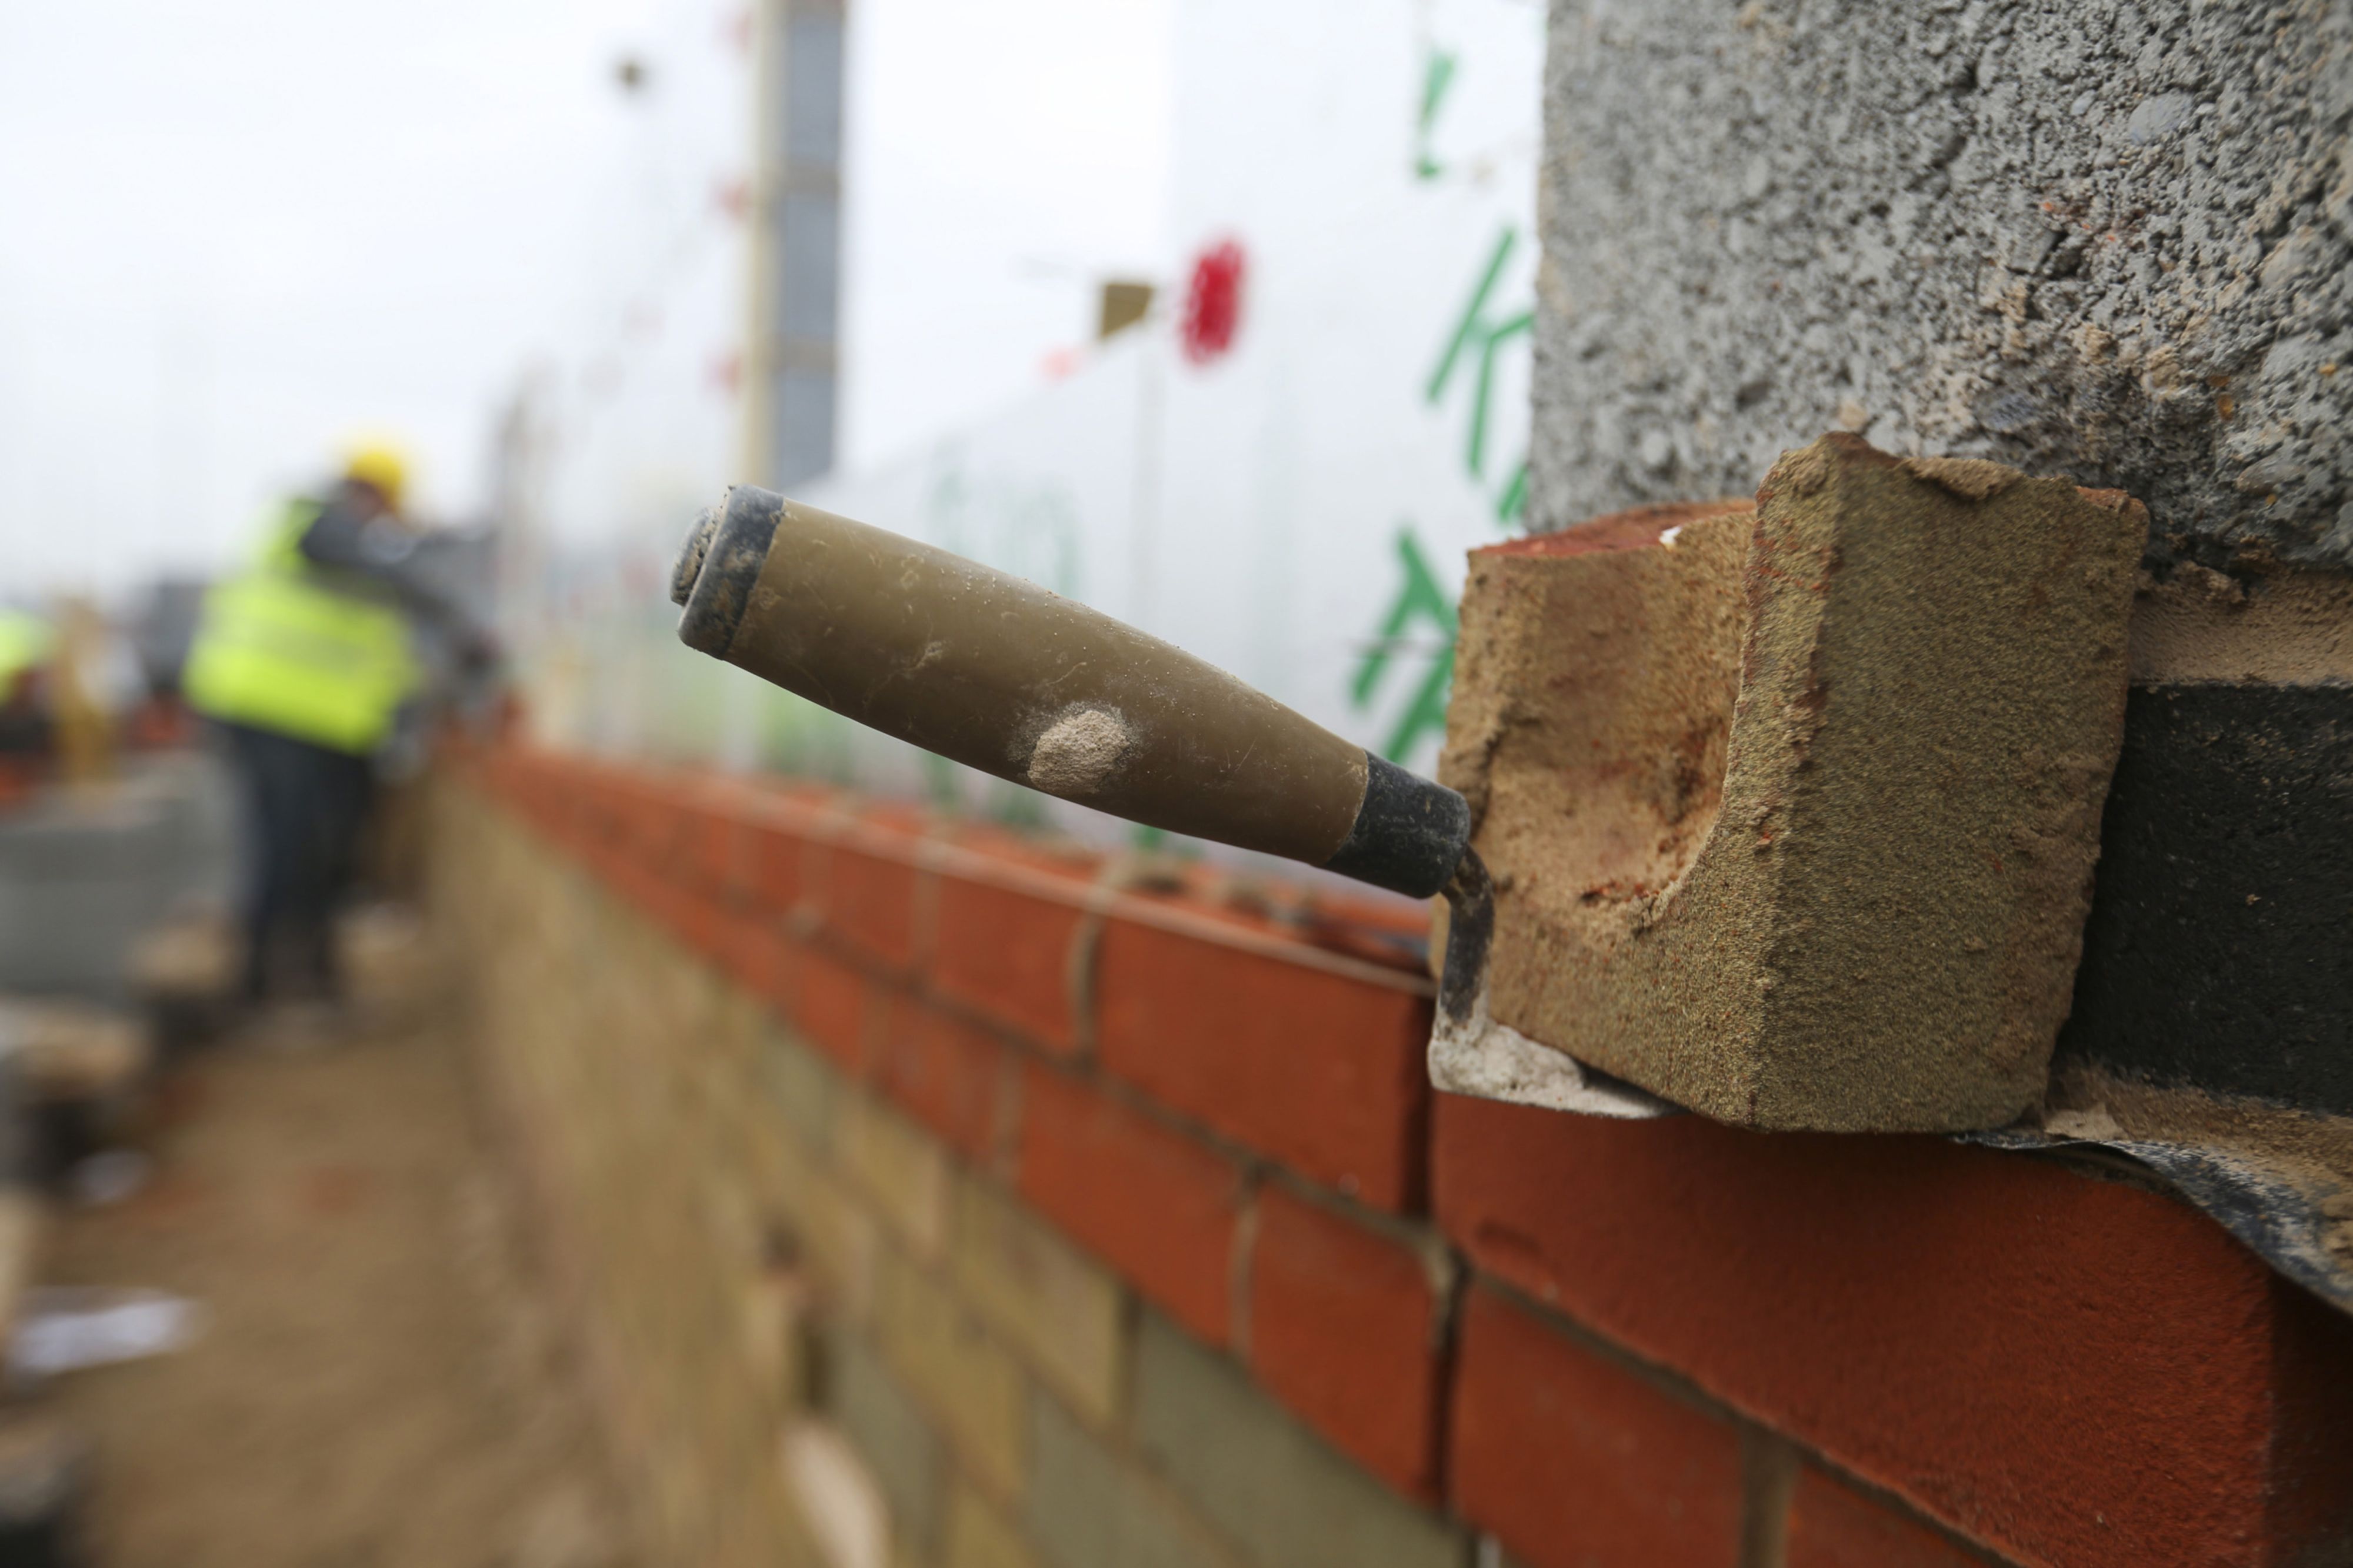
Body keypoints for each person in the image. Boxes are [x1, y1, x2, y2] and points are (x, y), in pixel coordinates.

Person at [183, 442, 451, 1005]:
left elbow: (374, 653)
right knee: (287, 846)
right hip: (272, 710)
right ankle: (261, 984)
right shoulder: (314, 522)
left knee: (326, 850)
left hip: (328, 725)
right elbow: (342, 556)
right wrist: (441, 601)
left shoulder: (359, 560)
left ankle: (312, 976)